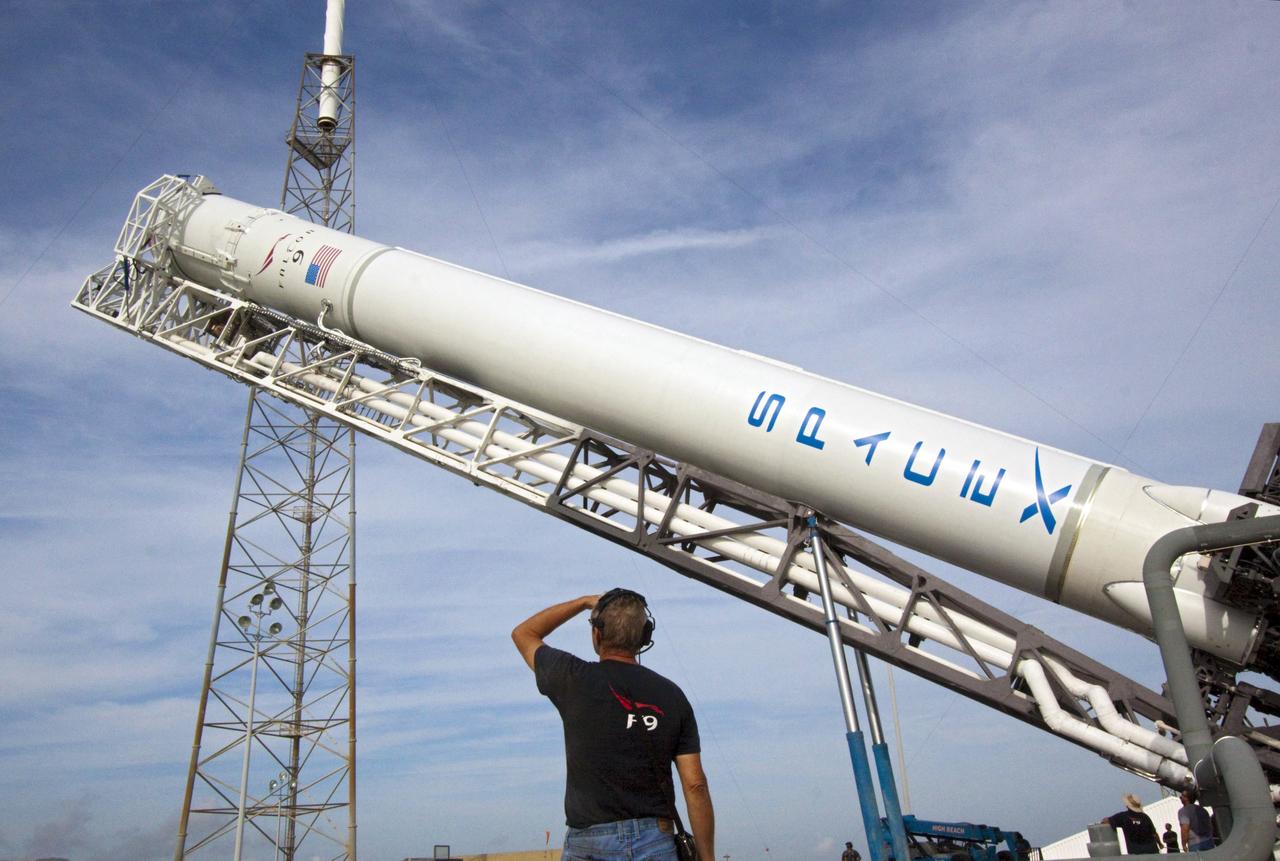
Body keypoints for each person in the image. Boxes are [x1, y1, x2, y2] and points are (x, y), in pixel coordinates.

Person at [513, 589, 715, 861]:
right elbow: (695, 785)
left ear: (597, 634)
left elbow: (523, 633)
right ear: (645, 637)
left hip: (589, 843)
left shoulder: (572, 677)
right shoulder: (673, 696)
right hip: (655, 839)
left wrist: (583, 602)